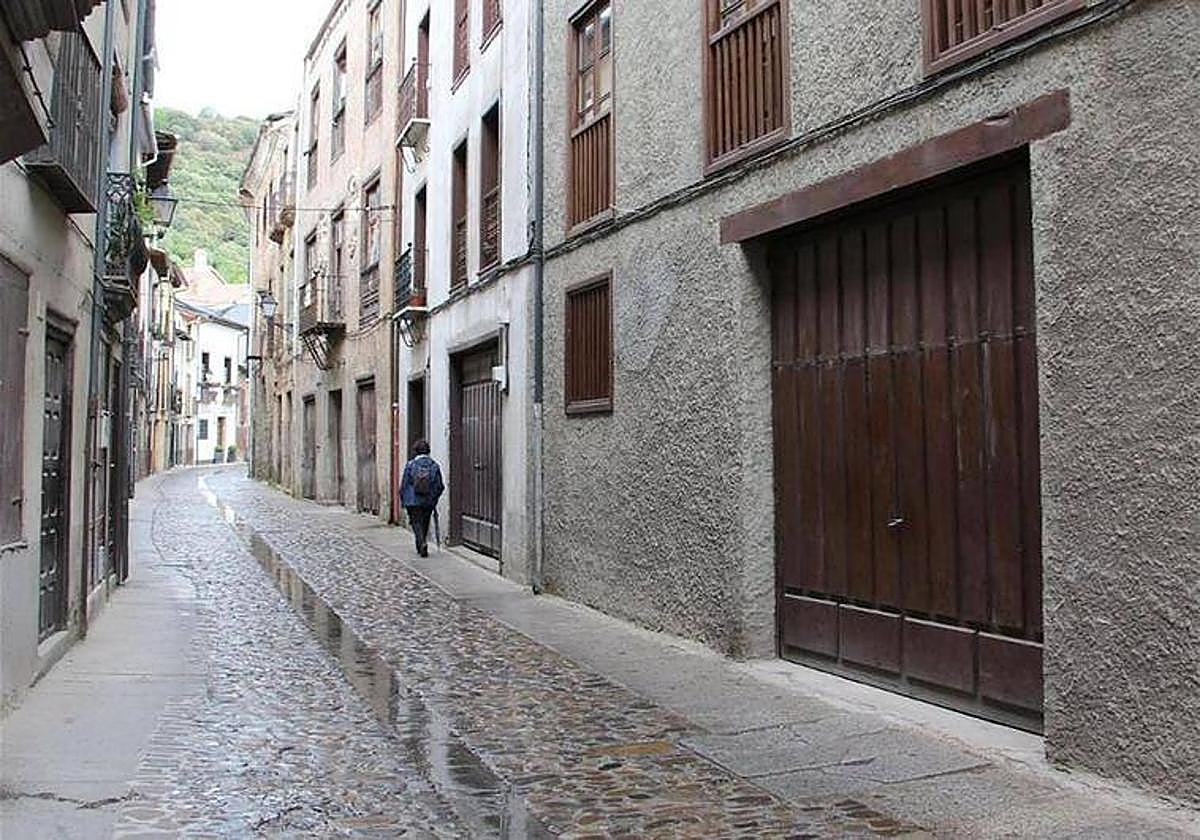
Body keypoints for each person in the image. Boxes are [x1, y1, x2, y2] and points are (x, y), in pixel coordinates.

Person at [399, 439, 444, 557]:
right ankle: (422, 543)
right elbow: (439, 485)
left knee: (416, 522)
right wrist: (433, 498)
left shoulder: (410, 465)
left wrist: (403, 499)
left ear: (416, 451)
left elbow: (404, 484)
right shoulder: (434, 466)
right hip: (428, 501)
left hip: (413, 501)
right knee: (425, 522)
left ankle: (422, 543)